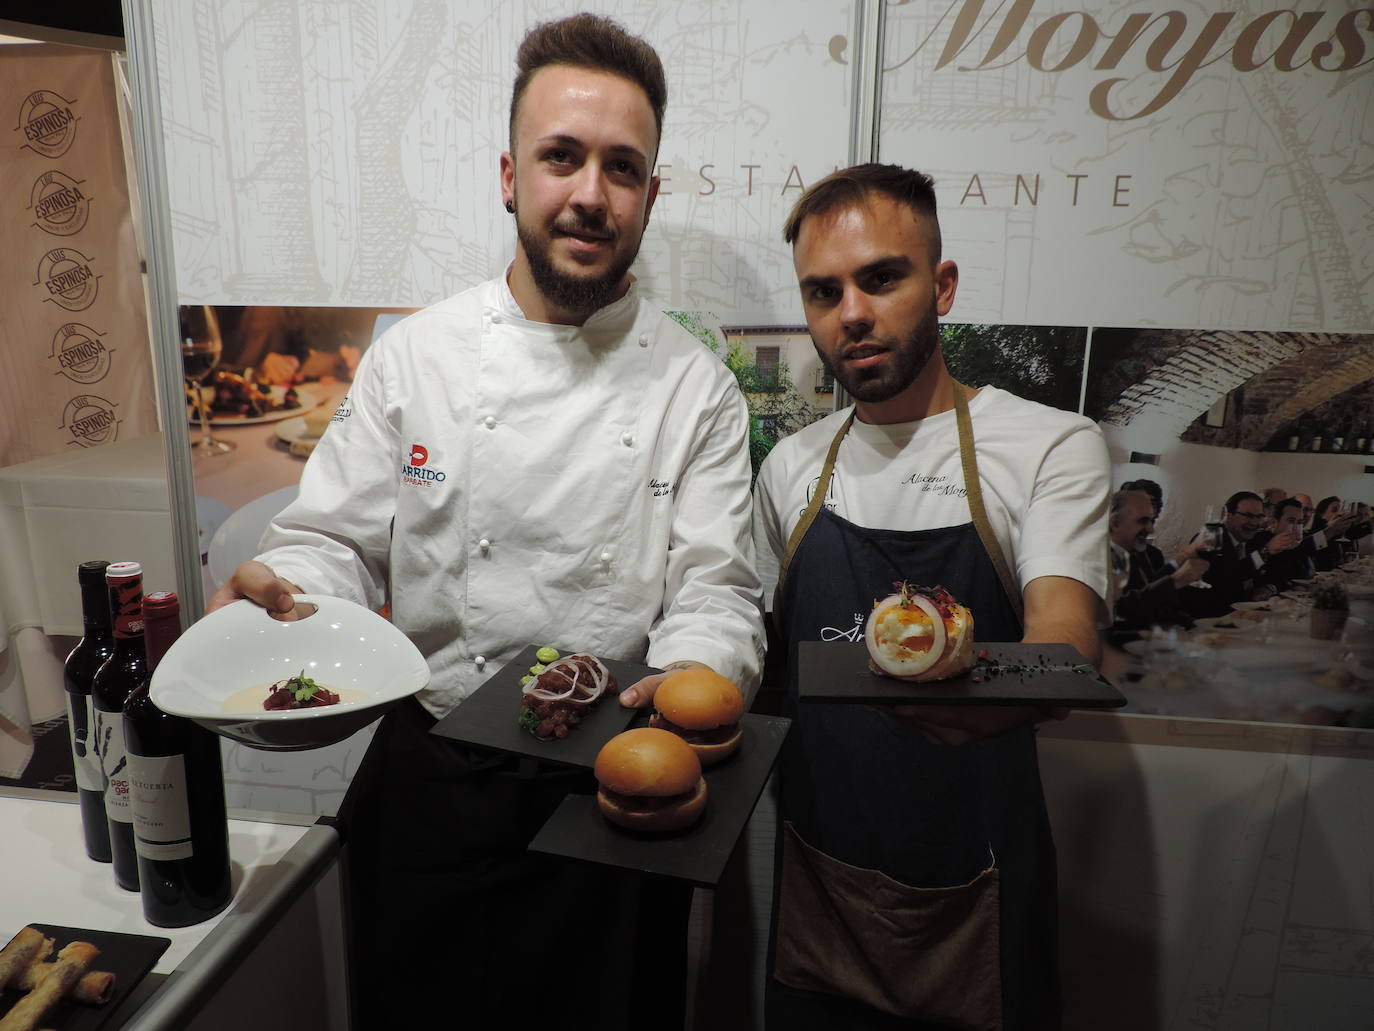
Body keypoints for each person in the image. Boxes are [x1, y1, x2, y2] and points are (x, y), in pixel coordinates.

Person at [211, 14, 764, 1027]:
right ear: (511, 175)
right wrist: (285, 598)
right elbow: (331, 542)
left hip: (610, 791)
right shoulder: (415, 358)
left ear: (651, 193)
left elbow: (717, 593)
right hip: (432, 786)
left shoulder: (698, 389)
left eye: (622, 167)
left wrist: (695, 713)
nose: (589, 194)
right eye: (562, 157)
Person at [752, 163, 1110, 1029]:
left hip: (976, 889)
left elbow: (1063, 650)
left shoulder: (1049, 445)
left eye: (882, 278)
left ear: (941, 285)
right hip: (818, 883)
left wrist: (967, 687)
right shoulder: (791, 467)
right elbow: (755, 658)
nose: (853, 315)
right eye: (823, 291)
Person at [1108, 489, 1207, 642]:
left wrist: (1194, 626)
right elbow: (1119, 612)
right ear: (1115, 523)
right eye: (1142, 521)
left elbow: (1151, 593)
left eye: (1151, 521)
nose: (1151, 529)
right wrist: (1175, 581)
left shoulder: (1137, 553)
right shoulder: (1098, 559)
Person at [1185, 490, 1299, 615]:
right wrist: (1265, 552)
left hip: (1249, 616)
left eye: (1259, 516)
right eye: (1248, 516)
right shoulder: (1211, 539)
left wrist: (1268, 587)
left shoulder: (1256, 539)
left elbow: (1281, 573)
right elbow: (1225, 578)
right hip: (1213, 616)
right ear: (1228, 515)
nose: (1254, 522)